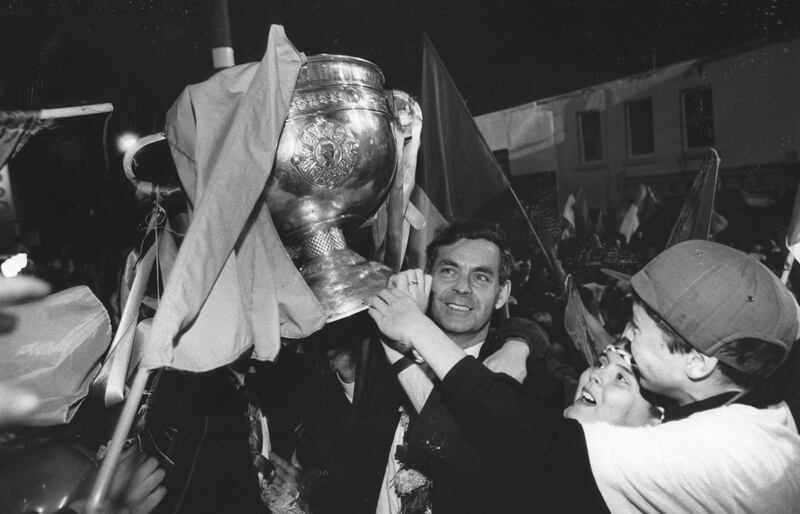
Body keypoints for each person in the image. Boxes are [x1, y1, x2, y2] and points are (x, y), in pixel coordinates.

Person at [369, 239, 800, 512]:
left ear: (699, 363)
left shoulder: (716, 454)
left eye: (635, 328)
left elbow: (540, 443)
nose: (623, 339)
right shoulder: (759, 419)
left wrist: (415, 328)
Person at [375, 219, 557, 514]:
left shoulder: (519, 382)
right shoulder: (379, 348)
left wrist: (523, 339)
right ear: (428, 279)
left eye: (481, 277)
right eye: (449, 271)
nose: (462, 288)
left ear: (501, 294)